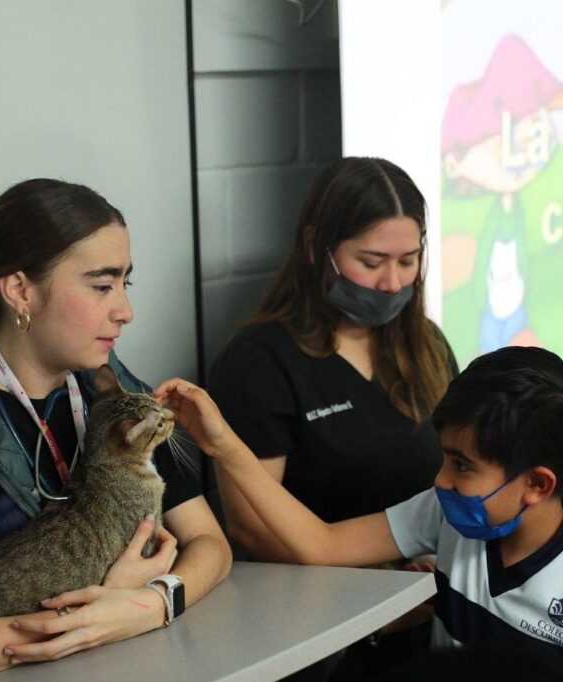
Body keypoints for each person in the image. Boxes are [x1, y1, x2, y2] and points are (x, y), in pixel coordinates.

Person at [0, 179, 231, 680]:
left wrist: (148, 605)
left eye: (127, 284)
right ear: (20, 291)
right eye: (102, 285)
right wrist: (90, 615)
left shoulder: (116, 398)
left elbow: (211, 546)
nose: (125, 310)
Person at [158, 346, 563, 682]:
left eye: (463, 466)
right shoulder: (446, 515)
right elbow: (322, 544)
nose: (441, 480)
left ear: (537, 484)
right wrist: (222, 444)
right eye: (445, 457)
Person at [207, 157, 456, 674]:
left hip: (418, 621)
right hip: (318, 638)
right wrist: (382, 578)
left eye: (408, 260)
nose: (392, 282)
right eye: (371, 261)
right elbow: (252, 529)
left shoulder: (426, 346)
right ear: (317, 248)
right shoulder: (261, 360)